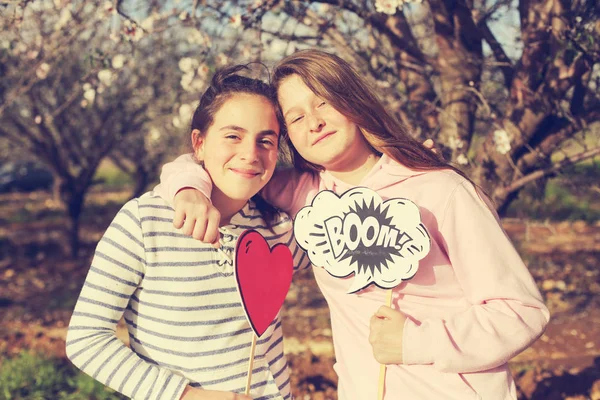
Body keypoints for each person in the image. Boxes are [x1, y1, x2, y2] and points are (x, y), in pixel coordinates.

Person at [157, 50, 550, 399]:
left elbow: (522, 310)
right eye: (295, 117)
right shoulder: (306, 195)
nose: (313, 122)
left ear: (353, 102)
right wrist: (188, 188)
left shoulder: (441, 191)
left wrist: (417, 342)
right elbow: (228, 163)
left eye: (323, 102)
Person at [66, 65, 310, 400]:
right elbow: (86, 337)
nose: (250, 154)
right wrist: (187, 396)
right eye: (233, 136)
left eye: (265, 140)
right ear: (199, 143)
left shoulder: (280, 228)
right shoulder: (144, 222)